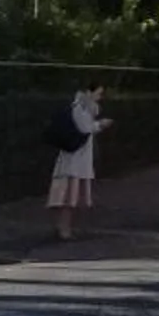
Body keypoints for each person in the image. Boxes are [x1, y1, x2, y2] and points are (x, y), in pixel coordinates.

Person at [47, 87, 110, 242]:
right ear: (89, 92)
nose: (100, 97)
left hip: (77, 161)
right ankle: (63, 229)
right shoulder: (79, 108)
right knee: (68, 198)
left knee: (70, 198)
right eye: (98, 93)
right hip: (73, 161)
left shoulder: (84, 108)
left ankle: (64, 227)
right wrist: (100, 125)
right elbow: (85, 128)